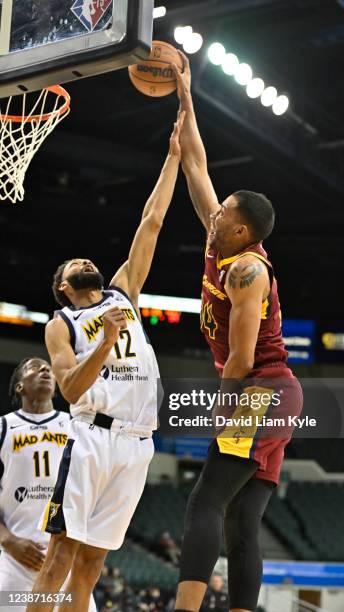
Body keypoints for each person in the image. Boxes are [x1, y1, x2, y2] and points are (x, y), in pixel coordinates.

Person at [28, 111, 185, 612]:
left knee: (92, 567)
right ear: (63, 286)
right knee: (60, 557)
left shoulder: (123, 293)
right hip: (92, 437)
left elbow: (151, 222)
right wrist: (106, 340)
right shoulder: (62, 323)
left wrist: (174, 157)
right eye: (75, 265)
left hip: (138, 446)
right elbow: (71, 392)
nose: (85, 261)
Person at [171, 54, 303, 612]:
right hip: (271, 391)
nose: (215, 210)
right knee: (240, 524)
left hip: (261, 388)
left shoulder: (249, 270)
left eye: (223, 211)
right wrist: (184, 95)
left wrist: (223, 414)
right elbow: (197, 167)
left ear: (241, 227)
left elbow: (243, 357)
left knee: (204, 500)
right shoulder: (217, 239)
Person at [0, 357, 95, 611]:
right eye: (34, 367)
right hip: (14, 562)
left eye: (49, 369)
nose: (45, 369)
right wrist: (7, 538)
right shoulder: (3, 427)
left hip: (65, 559)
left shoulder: (78, 426)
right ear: (19, 386)